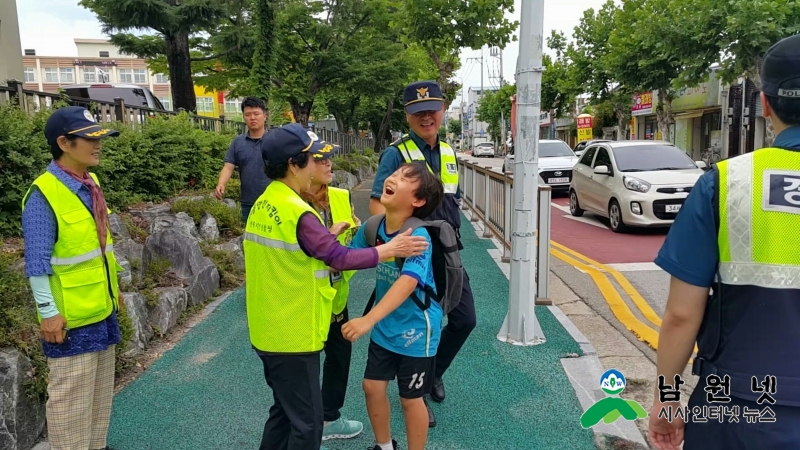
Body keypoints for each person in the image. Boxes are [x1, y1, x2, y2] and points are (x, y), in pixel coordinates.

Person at [648, 33, 800, 450]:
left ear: (765, 104)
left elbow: (681, 315)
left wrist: (666, 402)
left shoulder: (727, 183)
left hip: (739, 407)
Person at [244, 123, 430, 450]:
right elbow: (337, 257)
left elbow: (303, 253)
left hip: (267, 329)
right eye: (311, 157)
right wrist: (389, 250)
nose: (321, 163)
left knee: (284, 412)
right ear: (294, 164)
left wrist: (327, 237)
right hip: (292, 335)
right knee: (308, 424)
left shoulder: (265, 202)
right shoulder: (298, 212)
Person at [369, 80, 476, 427]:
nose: (426, 117)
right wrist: (392, 247)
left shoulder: (447, 151)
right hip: (413, 252)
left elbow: (451, 200)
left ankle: (432, 376)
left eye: (432, 110)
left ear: (443, 110)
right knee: (417, 326)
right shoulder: (395, 154)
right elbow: (376, 204)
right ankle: (415, 395)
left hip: (448, 251)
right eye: (418, 113)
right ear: (408, 116)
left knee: (464, 319)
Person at [21, 106, 123, 450]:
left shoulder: (89, 183)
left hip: (100, 307)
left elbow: (98, 248)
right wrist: (48, 313)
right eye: (89, 139)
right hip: (69, 320)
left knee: (97, 397)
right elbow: (36, 263)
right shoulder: (43, 194)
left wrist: (115, 291)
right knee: (69, 402)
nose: (98, 145)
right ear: (64, 143)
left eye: (99, 138)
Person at [343, 161, 446, 450]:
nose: (393, 178)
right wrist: (331, 241)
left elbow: (407, 283)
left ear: (418, 200)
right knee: (372, 387)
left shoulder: (418, 236)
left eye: (404, 179)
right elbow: (347, 258)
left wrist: (368, 319)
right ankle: (384, 446)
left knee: (410, 398)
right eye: (396, 174)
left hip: (417, 329)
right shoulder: (373, 226)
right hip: (387, 326)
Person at [300, 142, 364, 441]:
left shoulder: (340, 195)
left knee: (339, 355)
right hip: (306, 297)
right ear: (299, 165)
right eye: (319, 159)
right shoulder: (293, 203)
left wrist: (356, 230)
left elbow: (352, 237)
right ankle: (306, 424)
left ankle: (329, 418)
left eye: (329, 158)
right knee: (305, 363)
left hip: (337, 294)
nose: (328, 163)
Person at [215, 96, 272, 223]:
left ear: (264, 115)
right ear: (244, 117)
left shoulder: (275, 141)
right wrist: (221, 184)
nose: (252, 117)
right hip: (248, 202)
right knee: (248, 238)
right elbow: (228, 166)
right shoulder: (238, 142)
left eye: (256, 113)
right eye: (248, 114)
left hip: (273, 201)